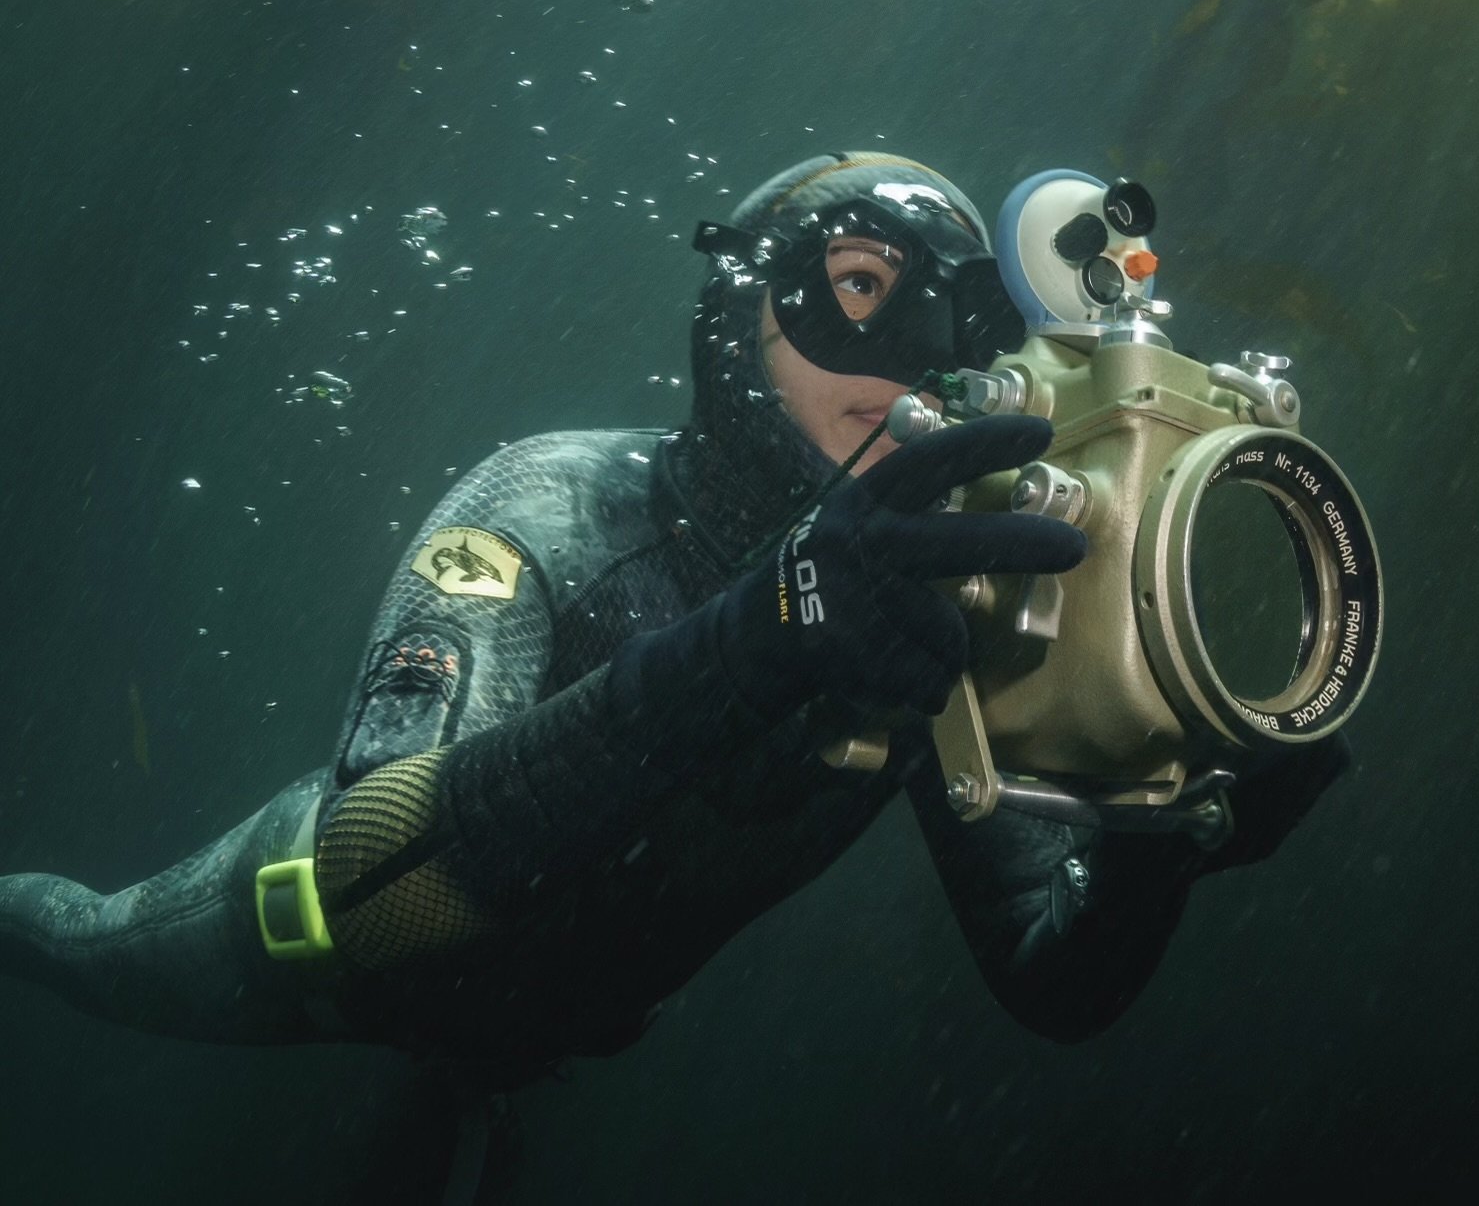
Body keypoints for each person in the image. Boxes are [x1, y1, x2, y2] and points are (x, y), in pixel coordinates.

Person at [0, 152, 1347, 1183]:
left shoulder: (951, 608)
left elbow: (1052, 980)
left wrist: (1159, 841)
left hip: (555, 1032)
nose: (909, 365)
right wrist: (762, 634)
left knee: (450, 1115)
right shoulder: (550, 502)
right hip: (300, 942)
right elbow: (372, 890)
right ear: (735, 309)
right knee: (71, 943)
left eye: (958, 325)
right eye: (859, 286)